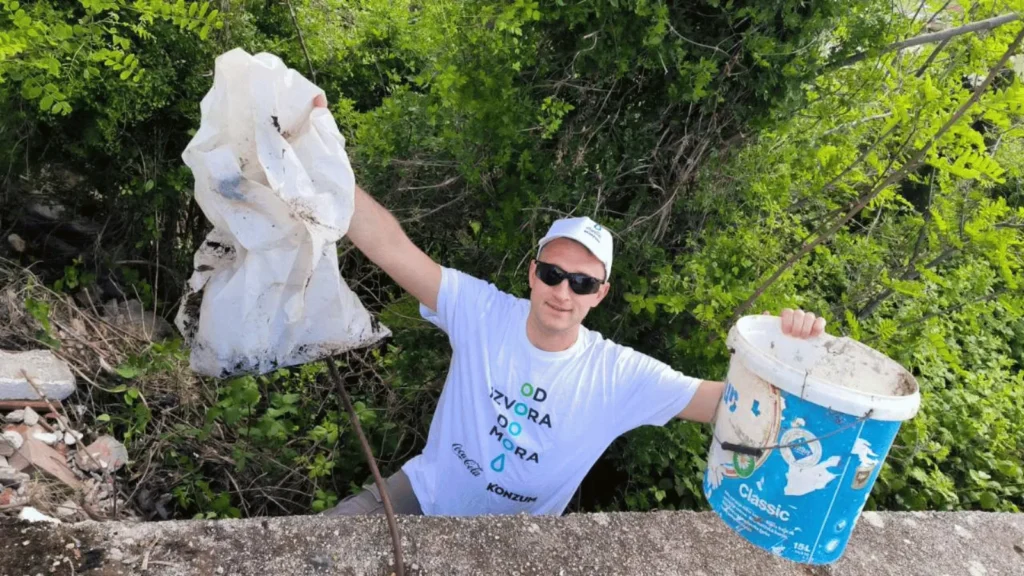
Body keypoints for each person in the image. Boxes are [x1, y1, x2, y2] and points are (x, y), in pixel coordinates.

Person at [312, 95, 826, 517]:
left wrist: (790, 356)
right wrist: (322, 160)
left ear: (600, 294)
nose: (564, 292)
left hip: (517, 544)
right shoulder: (482, 311)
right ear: (533, 274)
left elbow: (728, 407)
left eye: (582, 282)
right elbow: (391, 247)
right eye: (554, 274)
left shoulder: (617, 373)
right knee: (315, 546)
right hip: (419, 497)